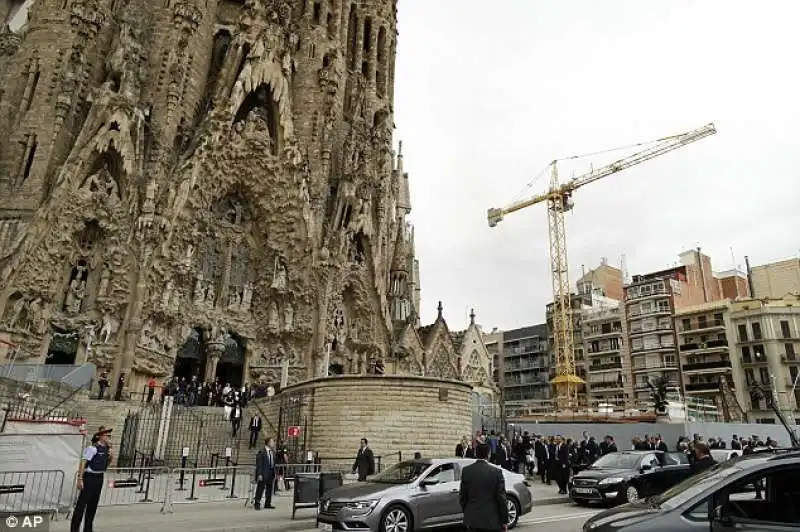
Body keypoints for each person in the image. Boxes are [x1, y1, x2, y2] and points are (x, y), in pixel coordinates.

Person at [460, 442, 509, 532]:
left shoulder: (466, 471)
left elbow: (463, 496)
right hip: (492, 521)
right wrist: (504, 521)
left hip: (472, 520)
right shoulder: (496, 472)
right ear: (488, 454)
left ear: (475, 453)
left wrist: (468, 513)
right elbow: (501, 499)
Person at [71, 426, 112, 532]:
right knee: (81, 505)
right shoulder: (92, 448)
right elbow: (83, 462)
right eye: (107, 436)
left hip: (99, 478)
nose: (109, 438)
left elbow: (105, 465)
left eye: (110, 436)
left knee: (93, 505)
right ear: (101, 437)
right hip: (89, 478)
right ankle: (75, 529)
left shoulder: (107, 449)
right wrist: (80, 479)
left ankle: (88, 529)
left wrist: (111, 456)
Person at [253, 437, 276, 510]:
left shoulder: (272, 451)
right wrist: (259, 474)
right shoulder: (262, 451)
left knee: (269, 489)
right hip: (263, 473)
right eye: (272, 442)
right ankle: (257, 503)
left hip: (271, 472)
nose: (273, 443)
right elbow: (259, 464)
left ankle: (267, 503)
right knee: (260, 488)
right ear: (268, 443)